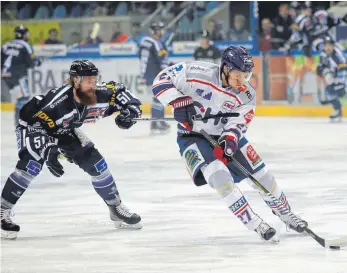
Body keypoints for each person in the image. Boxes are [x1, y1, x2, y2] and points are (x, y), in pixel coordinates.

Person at [151, 46, 308, 242]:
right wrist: (178, 101)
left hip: (224, 135)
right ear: (225, 68)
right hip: (192, 137)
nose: (242, 81)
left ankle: (286, 214)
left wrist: (230, 141)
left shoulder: (246, 94)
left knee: (263, 177)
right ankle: (255, 224)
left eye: (246, 75)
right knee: (220, 178)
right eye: (238, 75)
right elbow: (160, 80)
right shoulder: (196, 73)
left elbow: (240, 122)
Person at [1, 60, 142, 239]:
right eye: (87, 79)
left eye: (94, 78)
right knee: (31, 164)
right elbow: (38, 125)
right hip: (33, 126)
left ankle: (115, 208)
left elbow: (120, 92)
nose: (93, 83)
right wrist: (50, 150)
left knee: (97, 165)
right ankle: (2, 211)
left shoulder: (99, 93)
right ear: (75, 80)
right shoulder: (58, 102)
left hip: (65, 129)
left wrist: (131, 111)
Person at [1, 25, 42, 126]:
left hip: (4, 76)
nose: (28, 35)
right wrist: (39, 61)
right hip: (18, 77)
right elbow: (31, 64)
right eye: (27, 33)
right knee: (23, 98)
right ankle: (20, 123)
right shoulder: (26, 46)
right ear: (23, 35)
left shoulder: (5, 45)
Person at [139, 21, 170, 134]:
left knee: (159, 98)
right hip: (154, 75)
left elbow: (162, 59)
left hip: (158, 74)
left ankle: (158, 122)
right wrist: (143, 75)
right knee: (158, 98)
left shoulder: (158, 42)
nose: (162, 32)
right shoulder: (149, 42)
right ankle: (156, 123)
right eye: (160, 30)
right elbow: (145, 60)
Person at [317, 37, 346, 122]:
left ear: (333, 46)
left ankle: (337, 109)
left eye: (330, 45)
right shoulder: (323, 54)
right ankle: (337, 110)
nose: (328, 47)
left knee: (337, 91)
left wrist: (341, 82)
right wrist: (322, 71)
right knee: (330, 91)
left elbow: (344, 68)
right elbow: (320, 68)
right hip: (334, 77)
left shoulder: (338, 54)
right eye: (326, 45)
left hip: (343, 77)